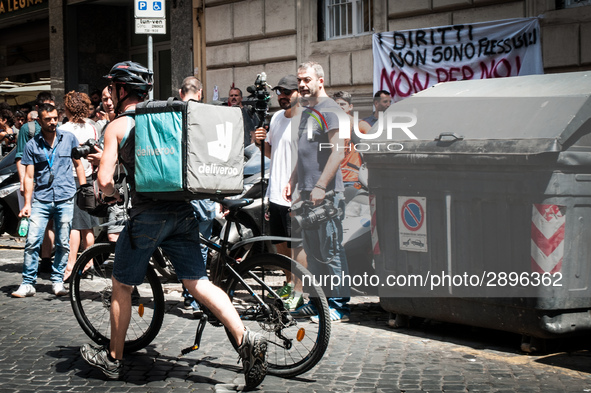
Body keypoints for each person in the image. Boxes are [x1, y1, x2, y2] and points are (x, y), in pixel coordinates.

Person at [80, 61, 268, 388]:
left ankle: (112, 359)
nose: (109, 93)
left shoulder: (117, 126)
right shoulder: (169, 119)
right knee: (197, 282)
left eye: (111, 87)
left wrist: (108, 194)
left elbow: (105, 180)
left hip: (147, 216)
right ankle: (245, 338)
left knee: (121, 285)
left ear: (121, 90)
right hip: (184, 211)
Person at [283, 61, 351, 322]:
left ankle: (340, 306)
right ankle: (317, 301)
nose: (302, 84)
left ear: (320, 81)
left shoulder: (332, 111)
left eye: (307, 79)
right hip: (308, 195)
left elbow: (338, 151)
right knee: (313, 253)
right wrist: (293, 181)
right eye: (300, 80)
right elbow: (304, 153)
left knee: (331, 251)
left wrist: (321, 186)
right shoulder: (308, 111)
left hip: (327, 196)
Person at [11, 103, 86, 298]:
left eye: (55, 118)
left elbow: (78, 165)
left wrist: (84, 188)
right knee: (32, 241)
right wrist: (27, 203)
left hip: (65, 197)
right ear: (39, 121)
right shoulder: (32, 145)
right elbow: (28, 177)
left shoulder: (68, 138)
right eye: (48, 119)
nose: (53, 122)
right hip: (41, 200)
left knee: (63, 242)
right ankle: (28, 283)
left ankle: (57, 280)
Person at [252, 74, 307, 310]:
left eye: (287, 92)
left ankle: (299, 291)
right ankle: (288, 284)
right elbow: (270, 153)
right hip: (275, 193)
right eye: (279, 92)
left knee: (298, 246)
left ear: (298, 93)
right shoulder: (275, 118)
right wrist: (258, 141)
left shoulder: (305, 121)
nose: (282, 96)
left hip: (296, 193)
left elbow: (308, 157)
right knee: (281, 245)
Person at [178, 75, 216, 312]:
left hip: (181, 190)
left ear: (181, 92)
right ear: (200, 93)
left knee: (183, 245)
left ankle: (190, 293)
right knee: (201, 246)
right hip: (204, 187)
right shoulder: (209, 116)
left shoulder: (174, 115)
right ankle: (194, 296)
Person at [58, 91, 100, 282]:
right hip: (89, 177)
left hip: (71, 178)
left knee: (75, 225)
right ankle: (89, 263)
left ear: (68, 107)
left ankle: (71, 263)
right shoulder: (92, 128)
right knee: (88, 225)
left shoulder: (64, 129)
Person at [15, 92, 57, 273]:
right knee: (36, 224)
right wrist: (24, 182)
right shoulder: (28, 129)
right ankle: (34, 266)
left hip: (55, 184)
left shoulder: (58, 128)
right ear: (39, 112)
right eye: (46, 110)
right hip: (35, 182)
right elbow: (20, 157)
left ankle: (47, 259)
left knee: (53, 224)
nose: (51, 118)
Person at [332, 90, 371, 185]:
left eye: (343, 104)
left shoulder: (359, 124)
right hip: (334, 179)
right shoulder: (330, 126)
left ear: (350, 107)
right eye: (337, 105)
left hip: (353, 178)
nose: (340, 107)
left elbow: (375, 142)